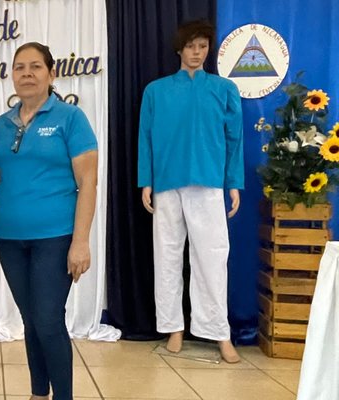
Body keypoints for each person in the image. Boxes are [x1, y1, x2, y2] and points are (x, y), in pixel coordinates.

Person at [0, 42, 98, 400]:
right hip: (8, 236)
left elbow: (88, 182)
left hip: (56, 236)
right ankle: (39, 394)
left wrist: (81, 242)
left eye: (35, 67)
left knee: (49, 319)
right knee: (31, 320)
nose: (26, 74)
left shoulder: (70, 118)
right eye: (19, 67)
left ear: (51, 74)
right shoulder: (2, 125)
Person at [137, 20, 243, 363]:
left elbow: (234, 140)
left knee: (212, 258)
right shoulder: (156, 90)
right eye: (191, 46)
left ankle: (218, 331)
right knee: (166, 257)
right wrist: (146, 181)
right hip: (167, 182)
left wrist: (233, 183)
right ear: (179, 49)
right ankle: (173, 327)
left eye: (202, 46)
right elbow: (146, 138)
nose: (197, 53)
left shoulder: (224, 89)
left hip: (209, 181)